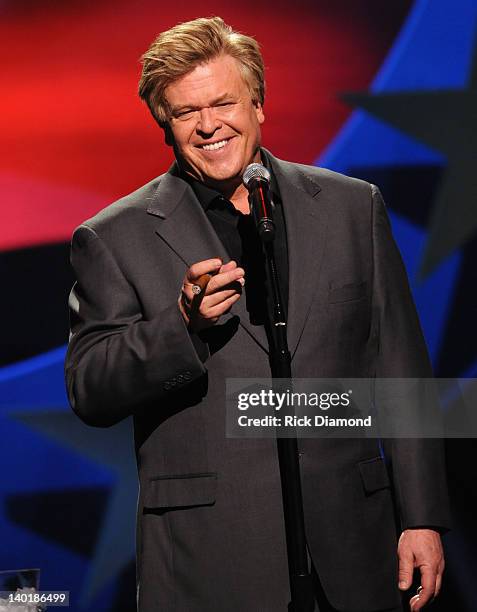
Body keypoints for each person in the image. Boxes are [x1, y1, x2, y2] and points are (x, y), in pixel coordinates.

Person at [65, 17, 450, 612]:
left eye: (224, 102)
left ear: (260, 104)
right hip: (213, 559)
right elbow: (90, 389)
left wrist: (422, 516)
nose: (209, 124)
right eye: (187, 111)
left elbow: (401, 370)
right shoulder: (115, 237)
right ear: (163, 124)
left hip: (352, 550)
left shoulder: (351, 207)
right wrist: (181, 329)